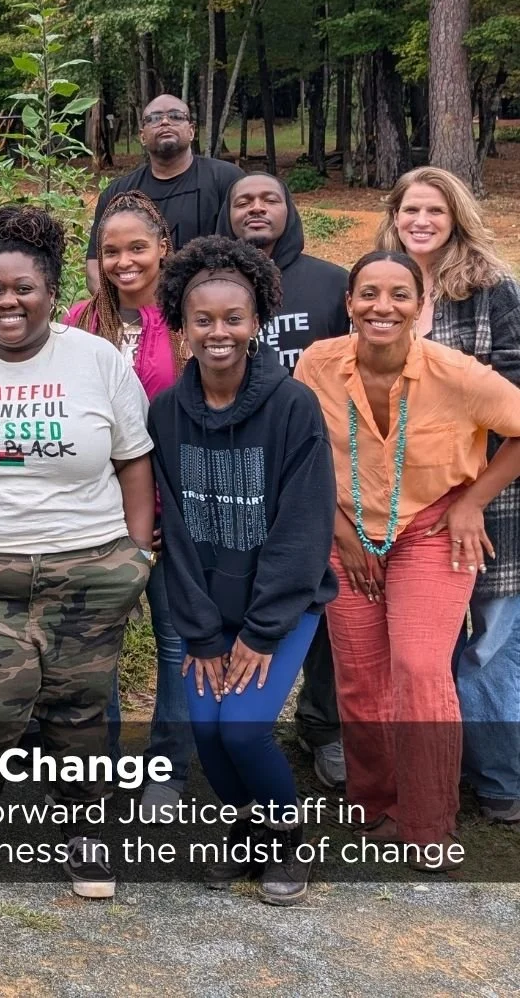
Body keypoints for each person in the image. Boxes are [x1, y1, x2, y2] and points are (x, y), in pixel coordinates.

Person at [0, 206, 156, 900]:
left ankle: (83, 832)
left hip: (88, 566)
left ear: (51, 293)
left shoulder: (96, 360)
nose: (7, 303)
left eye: (24, 290)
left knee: (78, 710)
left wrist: (136, 556)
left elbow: (135, 461)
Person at [295, 251, 520, 859]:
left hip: (429, 532)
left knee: (419, 668)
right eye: (368, 294)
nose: (382, 306)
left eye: (399, 295)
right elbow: (299, 449)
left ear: (421, 309)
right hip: (348, 537)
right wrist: (338, 528)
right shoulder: (317, 364)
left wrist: (474, 501)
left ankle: (426, 821)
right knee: (362, 680)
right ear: (349, 304)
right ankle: (374, 804)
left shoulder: (457, 374)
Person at [149, 236, 336, 905]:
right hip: (208, 609)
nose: (219, 332)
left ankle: (286, 840)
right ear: (183, 325)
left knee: (244, 727)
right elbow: (174, 530)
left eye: (234, 318)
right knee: (206, 730)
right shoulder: (166, 413)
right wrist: (202, 633)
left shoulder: (293, 407)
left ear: (257, 322)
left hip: (281, 607)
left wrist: (259, 633)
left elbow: (304, 530)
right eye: (204, 320)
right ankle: (247, 829)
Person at [376, 167, 520, 823]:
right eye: (411, 210)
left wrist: (474, 499)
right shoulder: (382, 286)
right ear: (395, 216)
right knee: (418, 646)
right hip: (401, 505)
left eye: (435, 209)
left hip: (488, 495)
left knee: (489, 637)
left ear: (456, 216)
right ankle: (432, 760)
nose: (422, 221)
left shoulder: (493, 293)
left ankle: (499, 780)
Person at [218, 172, 350, 792]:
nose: (256, 209)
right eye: (242, 200)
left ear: (289, 209)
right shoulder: (211, 287)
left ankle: (322, 728)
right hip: (234, 474)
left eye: (269, 198)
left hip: (326, 471)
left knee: (326, 607)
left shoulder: (329, 284)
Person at [65, 191, 188, 803]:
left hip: (173, 511)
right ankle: (101, 764)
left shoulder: (189, 315)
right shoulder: (81, 320)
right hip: (93, 514)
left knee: (174, 640)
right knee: (96, 643)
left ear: (163, 247)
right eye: (111, 251)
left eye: (137, 247)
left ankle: (167, 768)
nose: (124, 262)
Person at [85, 93, 242, 293]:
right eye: (154, 118)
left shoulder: (226, 180)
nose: (165, 122)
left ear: (192, 131)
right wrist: (117, 313)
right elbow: (95, 264)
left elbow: (251, 251)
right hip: (137, 313)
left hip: (210, 308)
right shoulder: (118, 193)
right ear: (142, 135)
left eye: (176, 116)